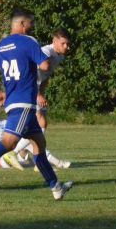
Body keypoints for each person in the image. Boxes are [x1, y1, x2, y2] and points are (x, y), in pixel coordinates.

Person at [0, 8, 73, 200]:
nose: (33, 26)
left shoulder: (0, 46)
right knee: (9, 142)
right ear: (22, 24)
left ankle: (56, 187)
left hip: (15, 100)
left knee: (39, 144)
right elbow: (45, 65)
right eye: (31, 22)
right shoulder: (28, 41)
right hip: (24, 100)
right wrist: (41, 62)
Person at [13, 28, 72, 168]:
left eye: (68, 44)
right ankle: (14, 153)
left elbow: (46, 77)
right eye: (63, 43)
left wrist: (42, 92)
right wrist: (38, 94)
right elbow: (29, 72)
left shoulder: (60, 56)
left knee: (34, 126)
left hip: (35, 89)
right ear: (54, 41)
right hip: (26, 87)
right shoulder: (45, 52)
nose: (67, 47)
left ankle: (24, 154)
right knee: (41, 123)